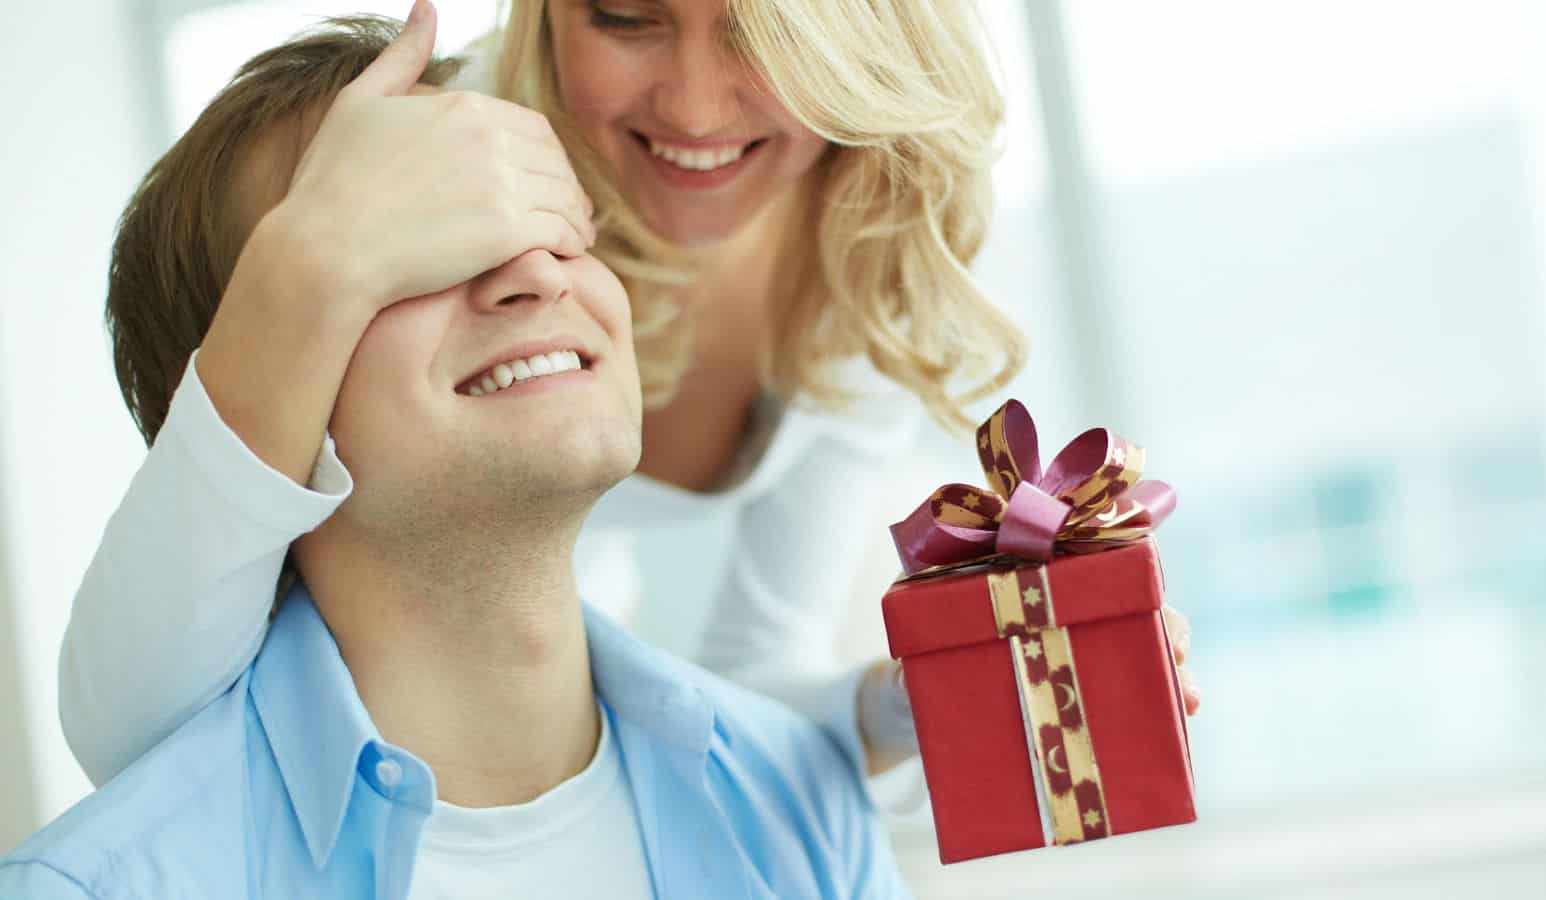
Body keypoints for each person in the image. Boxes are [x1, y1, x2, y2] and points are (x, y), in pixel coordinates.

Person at [59, 0, 1200, 798]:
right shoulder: (437, 164)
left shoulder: (856, 266)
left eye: (769, 24)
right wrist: (319, 261)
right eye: (624, 14)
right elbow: (130, 720)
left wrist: (898, 707)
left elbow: (741, 680)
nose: (698, 109)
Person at [0, 16, 909, 898]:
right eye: (408, 254)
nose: (538, 273)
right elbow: (120, 717)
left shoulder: (803, 824)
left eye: (553, 227)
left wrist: (897, 707)